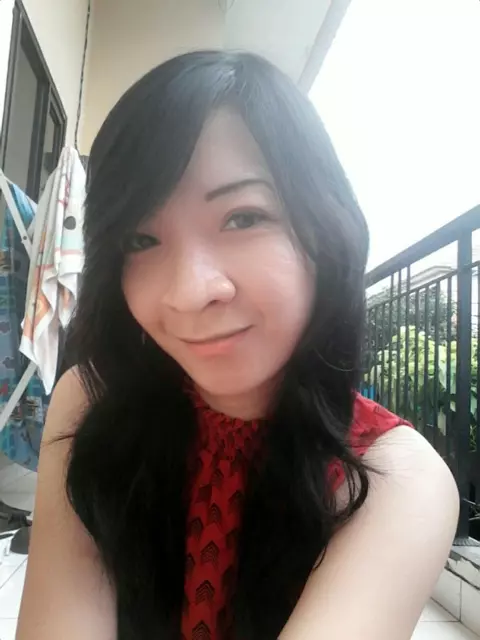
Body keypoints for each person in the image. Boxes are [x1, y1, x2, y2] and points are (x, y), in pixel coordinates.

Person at [17, 51, 459, 640]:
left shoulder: (393, 477)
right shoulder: (93, 402)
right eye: (141, 239)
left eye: (243, 218)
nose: (188, 292)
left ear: (326, 232)